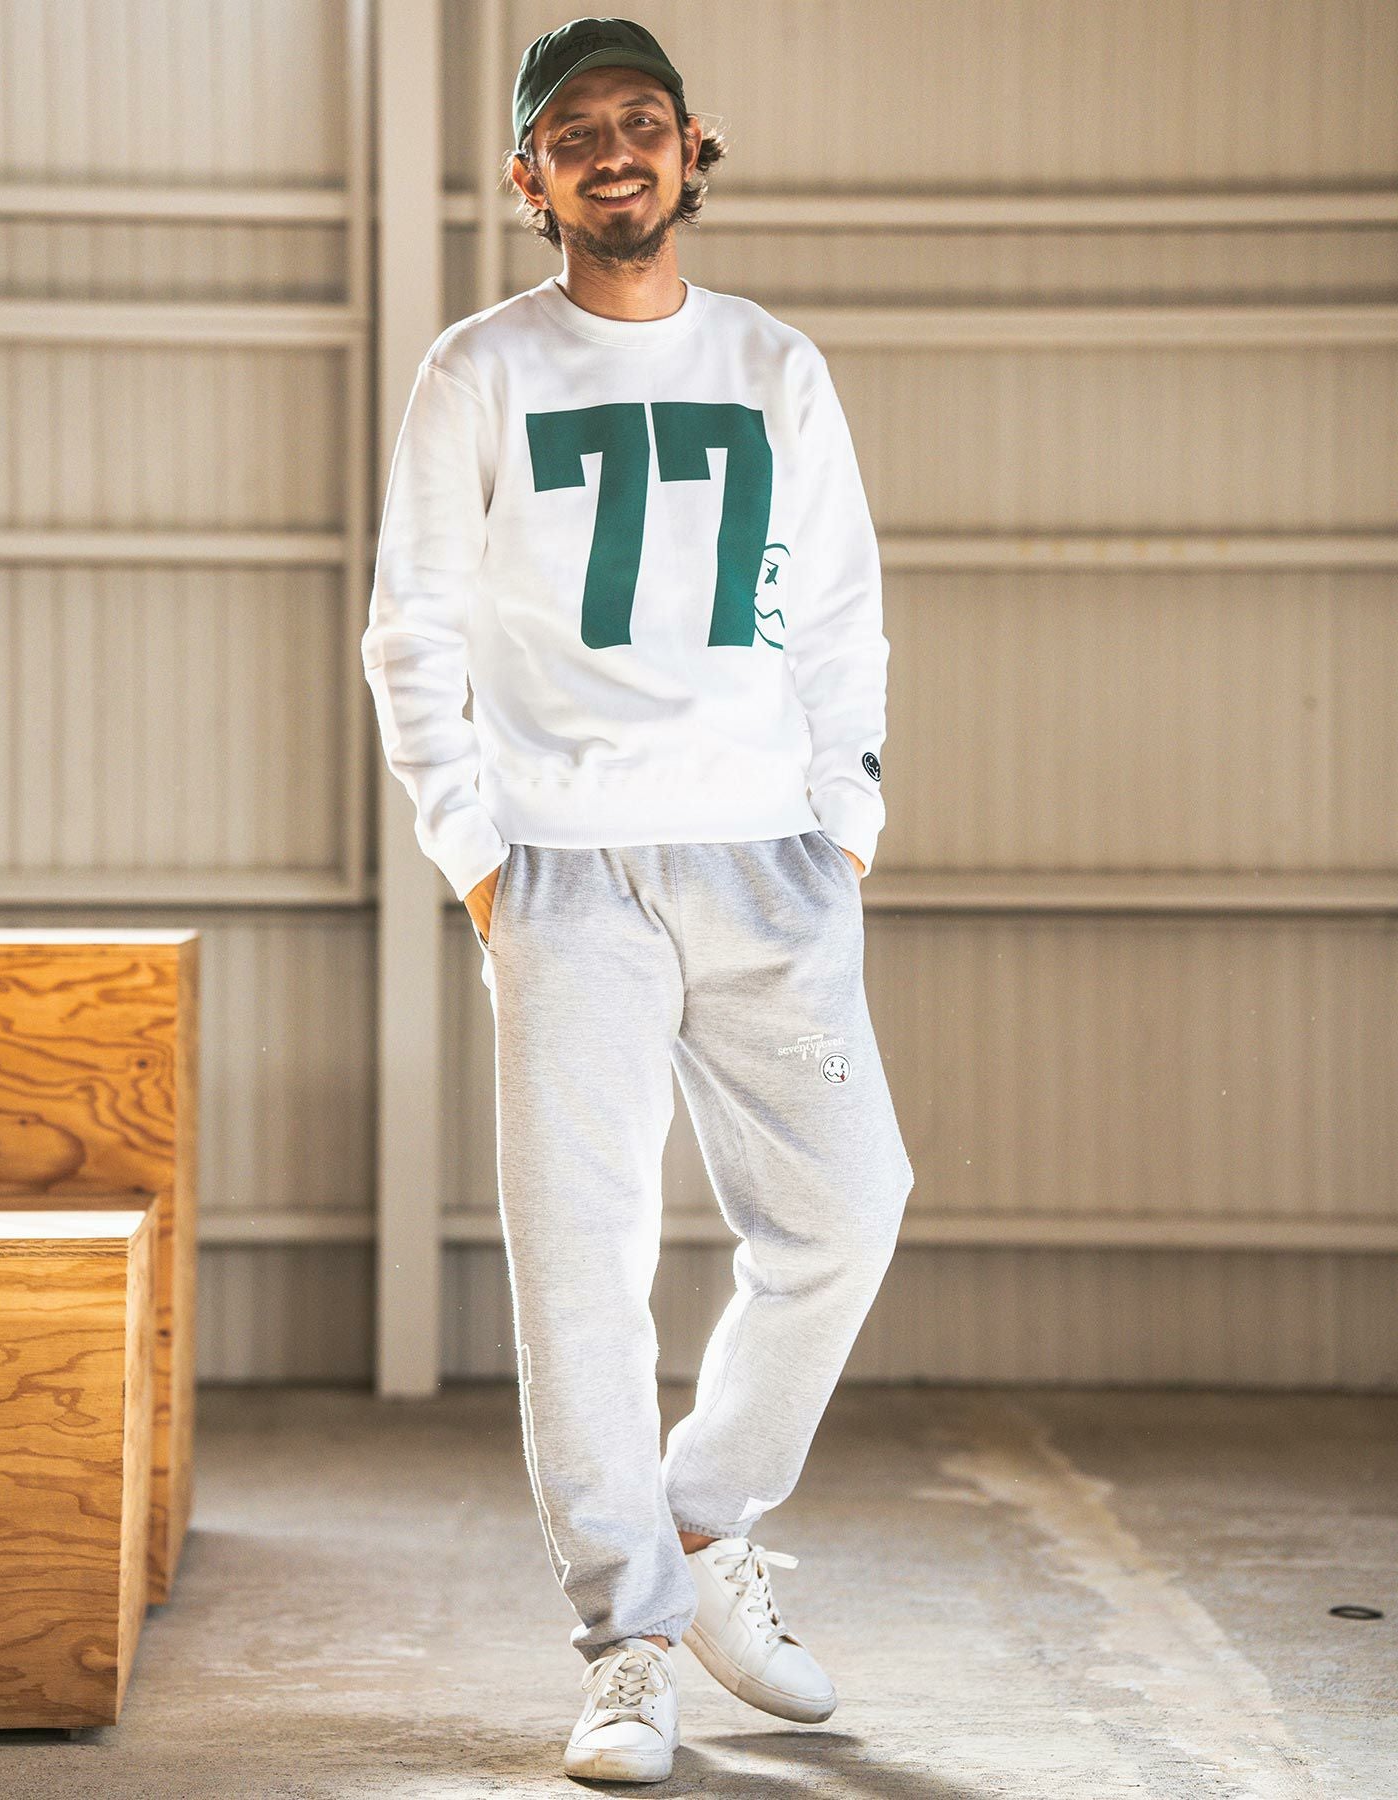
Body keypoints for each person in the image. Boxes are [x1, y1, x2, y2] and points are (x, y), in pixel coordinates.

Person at [361, 15, 914, 1784]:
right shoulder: (480, 369)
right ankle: (629, 1642)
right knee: (583, 1264)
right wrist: (475, 859)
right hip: (565, 873)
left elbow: (840, 616)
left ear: (691, 150)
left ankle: (698, 1521)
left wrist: (844, 830)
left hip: (770, 864)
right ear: (530, 174)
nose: (616, 149)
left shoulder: (772, 362)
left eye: (644, 120)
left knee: (848, 1210)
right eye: (576, 129)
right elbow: (409, 631)